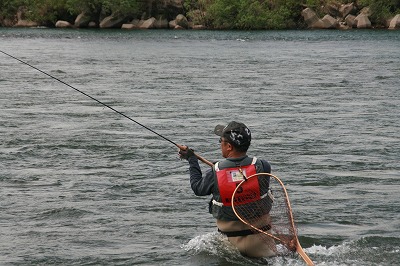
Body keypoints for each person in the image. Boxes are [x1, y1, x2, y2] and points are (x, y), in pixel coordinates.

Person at [179, 121, 276, 258]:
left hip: (233, 246)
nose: (220, 144)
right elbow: (239, 173)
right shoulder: (263, 166)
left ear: (229, 146)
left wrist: (191, 159)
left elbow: (197, 188)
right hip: (263, 247)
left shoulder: (215, 173)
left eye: (221, 141)